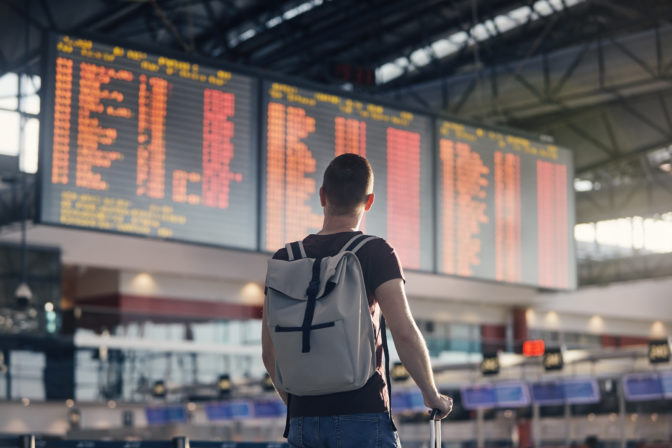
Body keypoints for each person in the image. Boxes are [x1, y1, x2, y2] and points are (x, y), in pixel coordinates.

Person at [262, 153, 453, 447]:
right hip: (362, 414)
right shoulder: (375, 251)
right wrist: (431, 394)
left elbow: (269, 352)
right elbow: (403, 331)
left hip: (302, 420)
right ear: (369, 201)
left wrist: (300, 405)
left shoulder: (284, 259)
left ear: (322, 195)